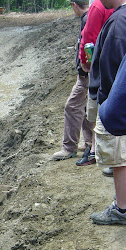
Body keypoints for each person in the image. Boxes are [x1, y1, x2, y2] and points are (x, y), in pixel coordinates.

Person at [87, 0, 126, 225]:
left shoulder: (119, 22)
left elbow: (112, 67)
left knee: (119, 157)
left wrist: (107, 100)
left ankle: (121, 209)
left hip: (116, 101)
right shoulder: (119, 17)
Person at [52, 0, 95, 163]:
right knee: (84, 107)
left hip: (86, 74)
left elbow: (88, 45)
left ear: (74, 5)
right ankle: (90, 141)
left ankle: (69, 148)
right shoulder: (90, 16)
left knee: (72, 107)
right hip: (88, 73)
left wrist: (86, 67)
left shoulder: (86, 19)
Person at [78, 0, 113, 168]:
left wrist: (86, 62)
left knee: (95, 106)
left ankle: (93, 149)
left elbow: (89, 37)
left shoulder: (98, 6)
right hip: (113, 63)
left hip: (100, 65)